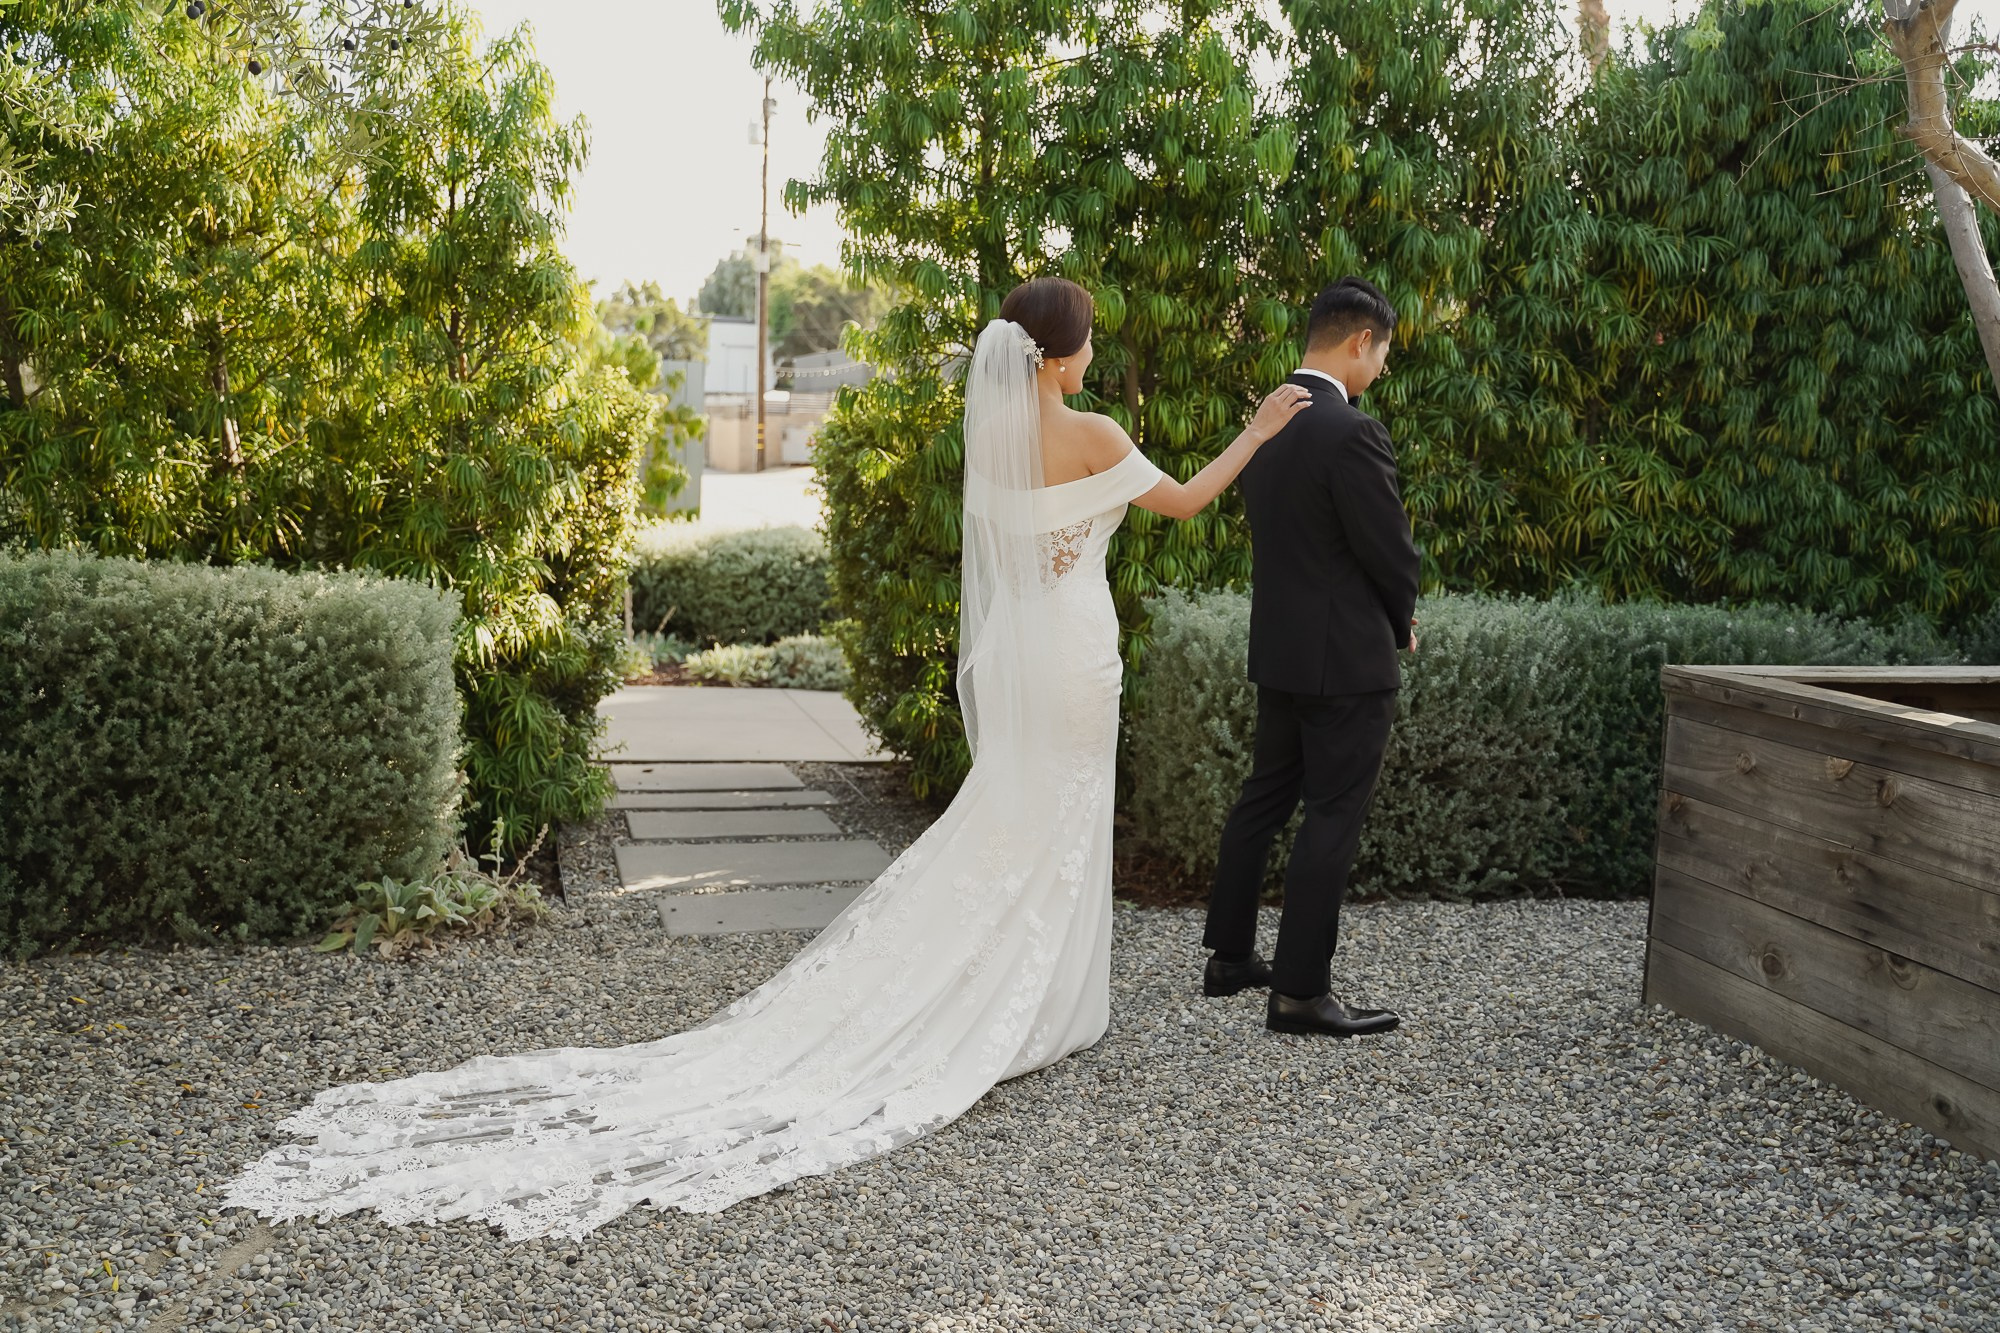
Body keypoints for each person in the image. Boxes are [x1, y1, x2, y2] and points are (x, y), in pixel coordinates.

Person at [221, 276, 1310, 1240]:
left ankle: (1024, 989)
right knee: (1051, 808)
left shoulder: (994, 437)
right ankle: (1039, 1002)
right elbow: (1184, 501)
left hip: (1030, 646)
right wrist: (1256, 429)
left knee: (1013, 807)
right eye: (1083, 342)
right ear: (1064, 356)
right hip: (1072, 650)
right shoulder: (1098, 434)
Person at [1199, 276, 1421, 1039]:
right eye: (1384, 352)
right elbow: (1388, 549)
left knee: (1263, 796)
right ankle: (1299, 993)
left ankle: (1229, 956)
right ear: (1361, 341)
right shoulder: (1351, 429)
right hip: (1345, 661)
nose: (1382, 369)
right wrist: (1402, 618)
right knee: (1332, 814)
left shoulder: (1268, 421)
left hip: (1282, 648)